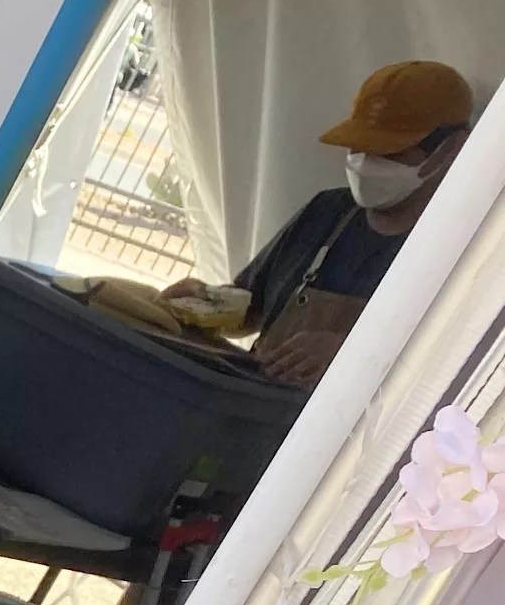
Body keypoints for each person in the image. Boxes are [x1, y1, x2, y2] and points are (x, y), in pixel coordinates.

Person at [172, 58, 476, 387]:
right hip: (257, 402)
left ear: (451, 149)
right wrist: (206, 302)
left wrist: (353, 354)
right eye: (358, 147)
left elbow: (452, 370)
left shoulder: (463, 250)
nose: (365, 162)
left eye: (388, 152)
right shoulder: (327, 210)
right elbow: (250, 307)